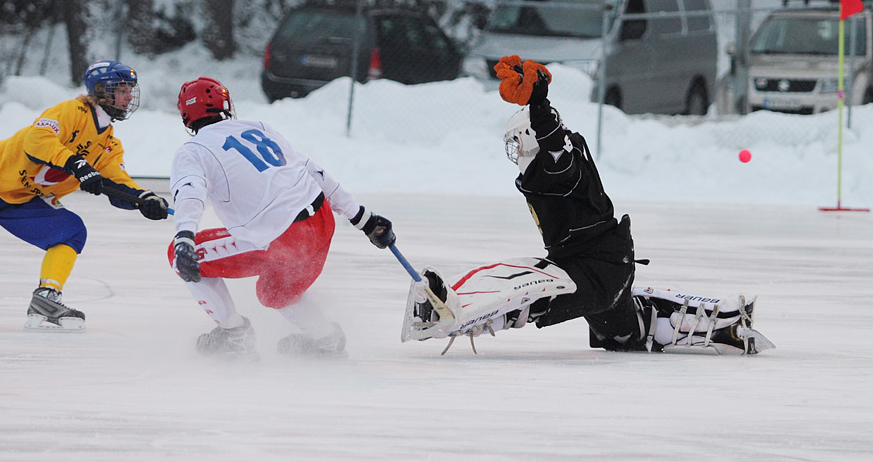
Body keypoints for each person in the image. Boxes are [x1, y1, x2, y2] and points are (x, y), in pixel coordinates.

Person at [403, 55, 774, 356]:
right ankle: (714, 323)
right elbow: (556, 144)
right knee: (623, 335)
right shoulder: (557, 159)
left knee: (538, 298)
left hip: (598, 268)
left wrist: (538, 104)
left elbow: (556, 150)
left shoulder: (558, 164)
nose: (515, 154)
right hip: (600, 262)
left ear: (531, 139)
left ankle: (462, 316)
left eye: (518, 144)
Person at [167, 77, 395, 360]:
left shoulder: (193, 151)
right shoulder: (258, 127)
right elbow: (312, 169)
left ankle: (233, 334)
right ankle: (326, 339)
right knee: (273, 292)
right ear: (225, 107)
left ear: (187, 116)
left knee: (180, 257)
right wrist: (363, 218)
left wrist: (184, 237)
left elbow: (190, 193)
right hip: (321, 222)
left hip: (282, 236)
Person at [0, 60, 169, 332]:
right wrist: (77, 164)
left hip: (23, 199)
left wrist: (144, 199)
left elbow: (117, 180)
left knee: (70, 231)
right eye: (121, 89)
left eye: (129, 91)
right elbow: (37, 139)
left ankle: (46, 297)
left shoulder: (110, 144)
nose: (127, 97)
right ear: (101, 90)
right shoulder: (72, 111)